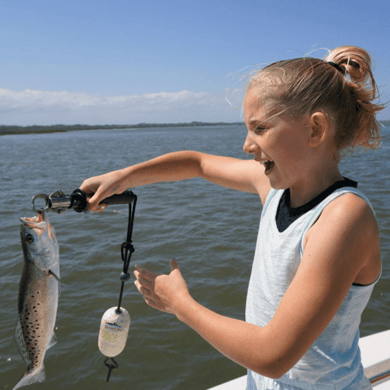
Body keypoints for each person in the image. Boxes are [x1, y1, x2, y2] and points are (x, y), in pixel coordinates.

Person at [80, 45, 384, 389]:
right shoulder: (275, 190)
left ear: (315, 130)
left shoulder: (344, 217)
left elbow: (273, 356)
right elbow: (198, 163)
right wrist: (123, 177)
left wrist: (181, 304)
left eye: (260, 128)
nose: (246, 144)